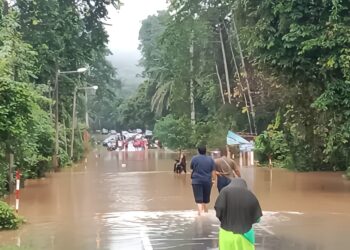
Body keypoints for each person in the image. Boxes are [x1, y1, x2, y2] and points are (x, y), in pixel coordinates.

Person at [215, 178, 262, 250]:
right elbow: (257, 219)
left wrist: (225, 220)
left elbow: (219, 210)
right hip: (246, 234)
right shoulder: (250, 194)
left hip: (226, 233)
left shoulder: (224, 192)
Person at [190, 145, 215, 215]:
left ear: (198, 151)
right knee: (205, 199)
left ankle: (201, 215)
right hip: (207, 181)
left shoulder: (194, 158)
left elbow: (191, 168)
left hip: (196, 181)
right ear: (205, 151)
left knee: (199, 200)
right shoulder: (210, 159)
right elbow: (213, 171)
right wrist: (214, 180)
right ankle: (205, 213)